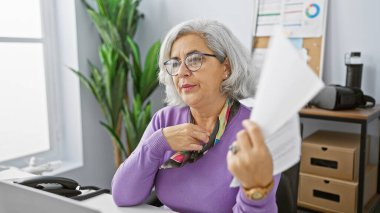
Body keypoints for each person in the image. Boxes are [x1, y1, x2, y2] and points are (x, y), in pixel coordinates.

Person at [112, 19, 280, 212]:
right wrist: (158, 144)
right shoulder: (165, 120)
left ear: (226, 68)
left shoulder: (255, 131)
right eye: (175, 63)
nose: (181, 72)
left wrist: (255, 189)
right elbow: (123, 196)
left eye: (194, 60)